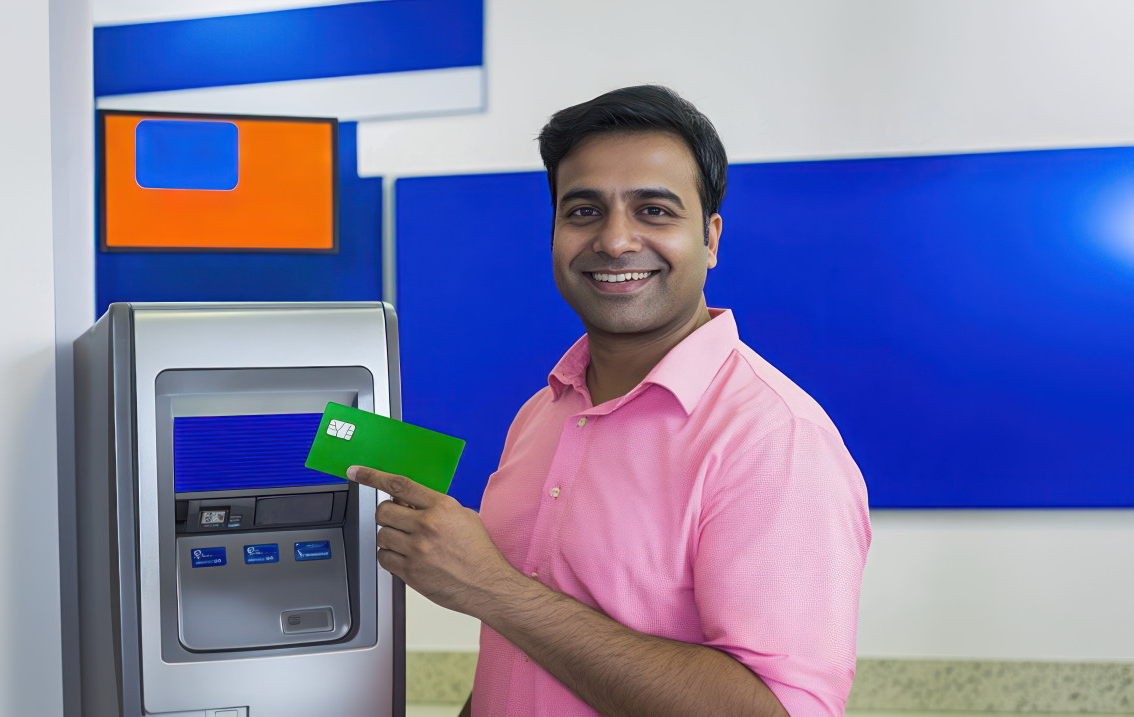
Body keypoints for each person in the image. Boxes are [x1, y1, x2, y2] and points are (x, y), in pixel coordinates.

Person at [347, 85, 871, 717]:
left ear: (710, 238)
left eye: (653, 210)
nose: (615, 241)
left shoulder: (774, 440)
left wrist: (489, 587)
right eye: (584, 211)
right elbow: (522, 664)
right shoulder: (542, 413)